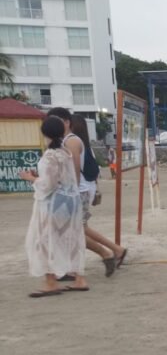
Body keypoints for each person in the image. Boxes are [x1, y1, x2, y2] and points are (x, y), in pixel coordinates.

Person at [47, 108, 127, 277]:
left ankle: (102, 256)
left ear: (67, 122)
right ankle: (115, 251)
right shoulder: (73, 141)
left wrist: (71, 192)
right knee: (79, 229)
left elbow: (73, 169)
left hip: (77, 191)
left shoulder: (71, 141)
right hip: (80, 190)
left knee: (73, 231)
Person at [20, 117, 88, 297]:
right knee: (71, 239)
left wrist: (31, 178)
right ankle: (79, 278)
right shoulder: (65, 152)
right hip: (70, 200)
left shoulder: (50, 155)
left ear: (44, 133)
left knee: (45, 240)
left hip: (54, 203)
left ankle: (50, 282)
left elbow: (48, 184)